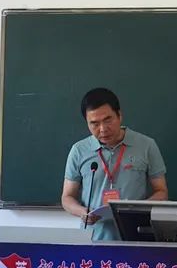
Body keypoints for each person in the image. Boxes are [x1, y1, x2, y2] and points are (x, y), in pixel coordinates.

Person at [60, 87, 168, 240]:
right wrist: (82, 212)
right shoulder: (79, 150)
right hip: (93, 238)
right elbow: (67, 197)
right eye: (94, 124)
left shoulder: (146, 145)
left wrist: (137, 210)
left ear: (119, 115)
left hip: (137, 236)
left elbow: (161, 192)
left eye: (108, 120)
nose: (103, 129)